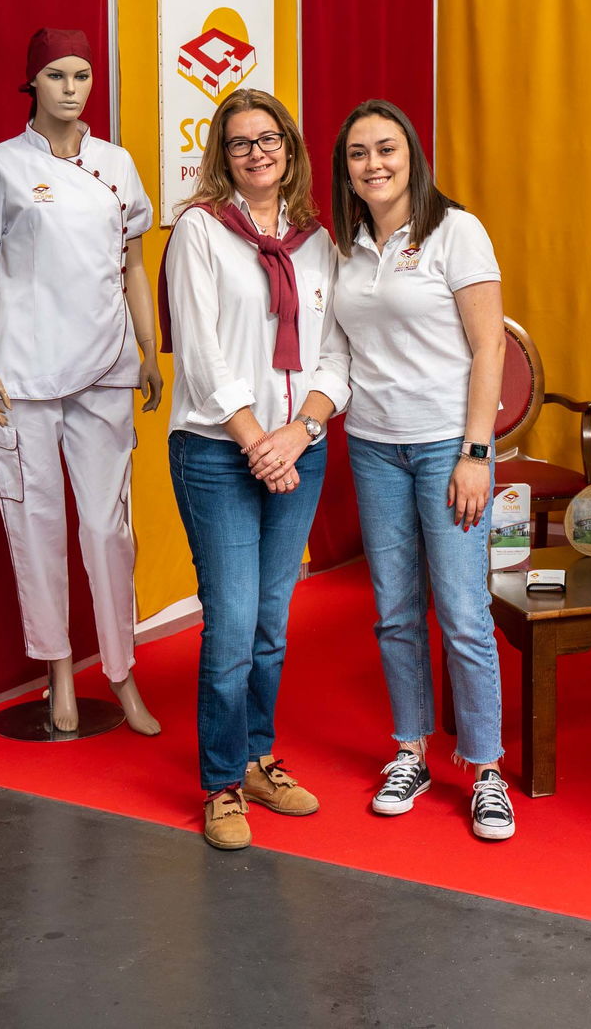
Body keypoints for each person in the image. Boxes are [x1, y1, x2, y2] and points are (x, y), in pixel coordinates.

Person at [0, 28, 164, 740]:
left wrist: (150, 349)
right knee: (35, 524)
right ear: (32, 83)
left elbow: (133, 266)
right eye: (57, 76)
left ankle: (122, 671)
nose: (72, 89)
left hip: (104, 366)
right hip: (24, 374)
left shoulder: (116, 165)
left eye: (83, 75)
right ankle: (60, 668)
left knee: (107, 529)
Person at [159, 87, 349, 852]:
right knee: (234, 623)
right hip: (216, 451)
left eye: (268, 139)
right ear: (222, 155)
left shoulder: (318, 243)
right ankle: (221, 784)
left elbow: (338, 352)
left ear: (290, 149)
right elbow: (200, 354)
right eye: (240, 142)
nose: (257, 152)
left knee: (272, 623)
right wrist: (256, 443)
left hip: (299, 447)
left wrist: (300, 432)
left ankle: (257, 756)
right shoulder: (200, 230)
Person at [328, 99, 515, 842]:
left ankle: (486, 768)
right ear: (345, 169)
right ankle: (411, 751)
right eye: (358, 154)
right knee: (396, 612)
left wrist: (476, 452)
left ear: (412, 156)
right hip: (373, 446)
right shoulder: (344, 246)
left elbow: (491, 346)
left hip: (447, 446)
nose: (373, 164)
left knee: (463, 613)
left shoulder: (455, 232)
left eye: (387, 149)